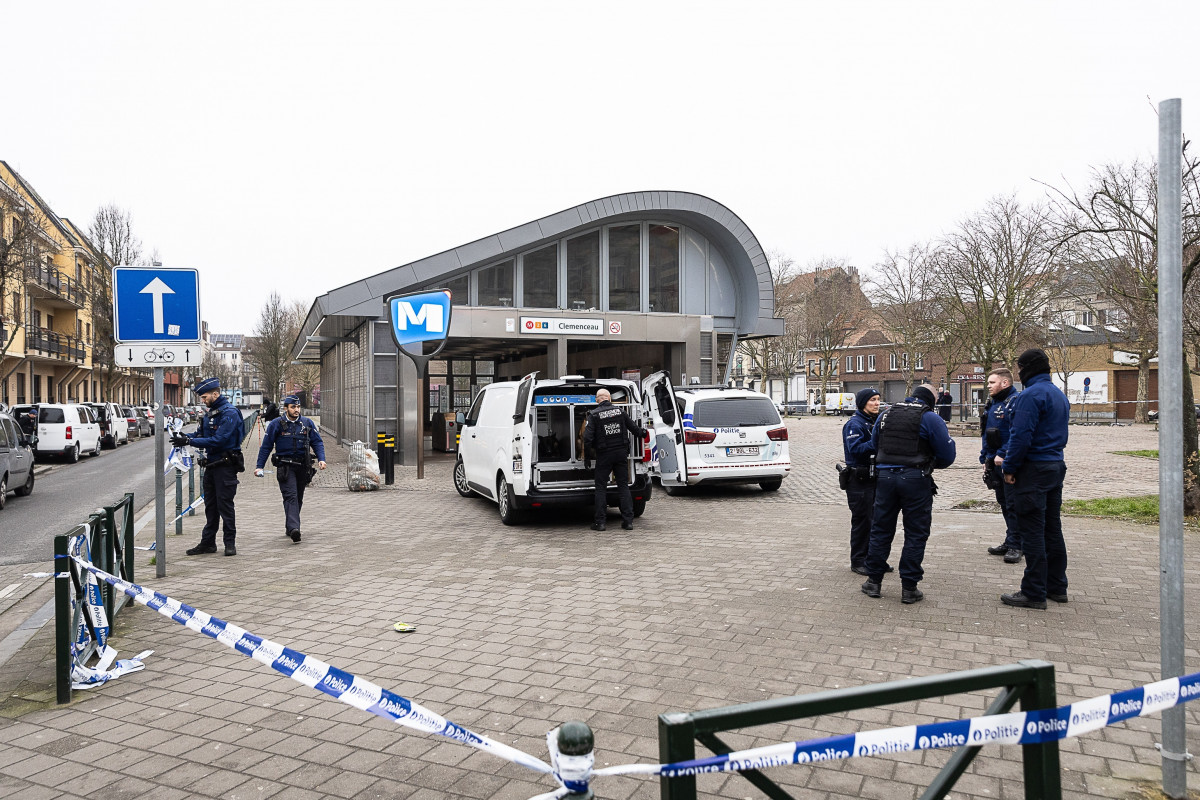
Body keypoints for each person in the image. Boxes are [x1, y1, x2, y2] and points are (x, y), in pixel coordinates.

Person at [861, 384, 957, 604]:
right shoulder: (931, 418)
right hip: (915, 479)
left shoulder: (886, 414)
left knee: (881, 529)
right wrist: (930, 462)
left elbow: (876, 445)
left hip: (885, 479)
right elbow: (947, 454)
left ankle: (873, 582)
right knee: (915, 532)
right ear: (931, 400)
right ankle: (909, 587)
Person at [999, 348, 1070, 610]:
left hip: (1033, 470)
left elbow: (1021, 437)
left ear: (1025, 368)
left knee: (1032, 531)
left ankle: (1033, 591)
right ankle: (1057, 586)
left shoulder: (1030, 396)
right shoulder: (1058, 394)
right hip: (1055, 465)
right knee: (1053, 528)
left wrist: (1009, 467)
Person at [174, 377, 246, 557]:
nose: (203, 401)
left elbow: (220, 439)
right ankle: (208, 543)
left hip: (225, 466)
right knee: (210, 507)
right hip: (211, 466)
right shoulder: (210, 413)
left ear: (216, 394)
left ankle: (229, 543)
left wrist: (190, 441)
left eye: (205, 397)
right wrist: (183, 436)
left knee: (225, 506)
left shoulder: (229, 413)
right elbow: (201, 434)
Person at [255, 395, 326, 542]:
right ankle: (295, 529)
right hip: (285, 466)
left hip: (302, 466)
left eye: (298, 407)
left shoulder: (306, 423)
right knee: (291, 496)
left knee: (298, 497)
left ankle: (290, 526)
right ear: (286, 408)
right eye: (293, 407)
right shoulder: (276, 424)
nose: (296, 410)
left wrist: (321, 459)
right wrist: (259, 466)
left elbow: (317, 442)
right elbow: (266, 446)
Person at [841, 387, 891, 576]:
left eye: (878, 399)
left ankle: (875, 560)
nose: (876, 403)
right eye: (872, 400)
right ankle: (859, 560)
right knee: (862, 522)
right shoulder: (855, 424)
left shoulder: (874, 421)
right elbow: (856, 449)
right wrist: (878, 442)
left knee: (877, 522)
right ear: (862, 403)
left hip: (874, 479)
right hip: (859, 481)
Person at [582, 387, 646, 531]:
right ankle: (628, 521)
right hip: (621, 454)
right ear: (609, 399)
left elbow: (587, 438)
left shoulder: (594, 415)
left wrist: (587, 457)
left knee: (601, 487)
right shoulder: (621, 412)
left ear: (597, 400)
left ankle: (600, 523)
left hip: (604, 455)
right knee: (623, 486)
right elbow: (635, 429)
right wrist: (644, 433)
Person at [981, 367, 1022, 564]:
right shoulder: (993, 403)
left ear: (1005, 383)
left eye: (992, 383)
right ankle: (1010, 539)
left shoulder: (1014, 402)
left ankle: (1017, 545)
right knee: (1004, 503)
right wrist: (985, 458)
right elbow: (986, 432)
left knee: (1013, 504)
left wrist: (1003, 454)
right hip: (994, 460)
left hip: (1006, 461)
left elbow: (1016, 432)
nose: (988, 386)